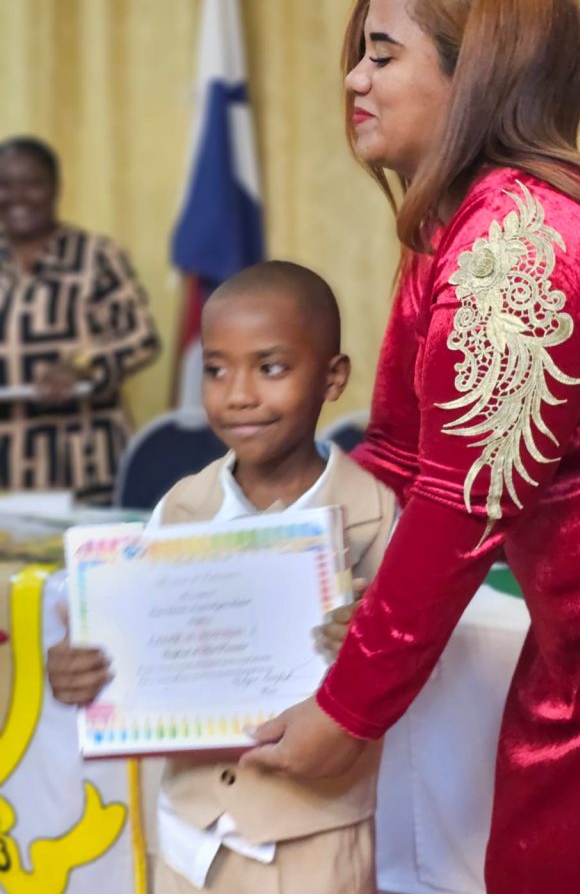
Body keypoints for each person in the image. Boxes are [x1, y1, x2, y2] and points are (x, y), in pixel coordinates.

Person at [240, 0, 580, 893]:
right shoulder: (457, 226)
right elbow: (402, 453)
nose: (353, 79)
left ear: (475, 72)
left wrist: (349, 713)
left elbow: (460, 504)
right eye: (359, 53)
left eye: (383, 54)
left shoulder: (528, 240)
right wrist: (257, 563)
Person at [47, 260, 397, 894]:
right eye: (216, 369)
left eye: (271, 368)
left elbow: (412, 673)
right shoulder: (180, 508)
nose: (238, 395)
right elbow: (131, 644)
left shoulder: (375, 515)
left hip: (313, 841)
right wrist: (83, 668)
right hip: (189, 838)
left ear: (333, 377)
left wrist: (372, 650)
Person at [0, 135, 160, 503]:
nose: (18, 197)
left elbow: (141, 336)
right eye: (5, 185)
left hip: (86, 463)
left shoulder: (95, 256)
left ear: (56, 188)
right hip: (8, 472)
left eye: (32, 183)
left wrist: (83, 366)